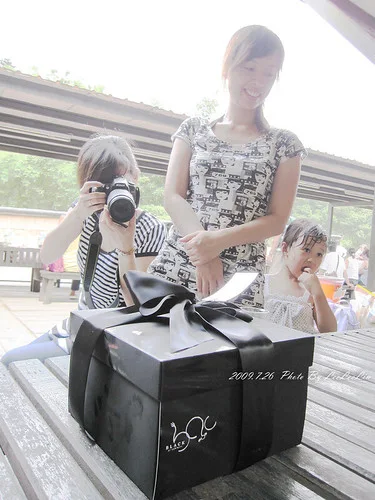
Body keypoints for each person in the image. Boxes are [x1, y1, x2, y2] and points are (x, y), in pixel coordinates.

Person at [149, 25, 306, 307]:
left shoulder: (285, 144)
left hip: (239, 282)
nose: (258, 81)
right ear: (227, 67)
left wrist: (216, 242)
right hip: (178, 264)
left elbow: (277, 220)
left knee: (227, 351)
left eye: (269, 74)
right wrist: (205, 253)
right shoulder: (193, 129)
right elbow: (172, 196)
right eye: (249, 68)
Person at [2, 134, 166, 365]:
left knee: (12, 362)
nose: (115, 189)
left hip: (113, 338)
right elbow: (47, 256)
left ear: (135, 175)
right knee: (9, 361)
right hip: (80, 324)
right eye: (106, 182)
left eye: (122, 179)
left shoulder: (149, 227)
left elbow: (136, 306)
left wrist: (126, 246)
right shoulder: (85, 212)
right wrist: (78, 215)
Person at [264, 219, 337, 333]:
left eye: (319, 254)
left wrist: (317, 293)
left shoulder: (311, 292)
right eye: (306, 249)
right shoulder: (264, 284)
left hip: (301, 349)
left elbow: (329, 330)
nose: (312, 260)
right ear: (285, 248)